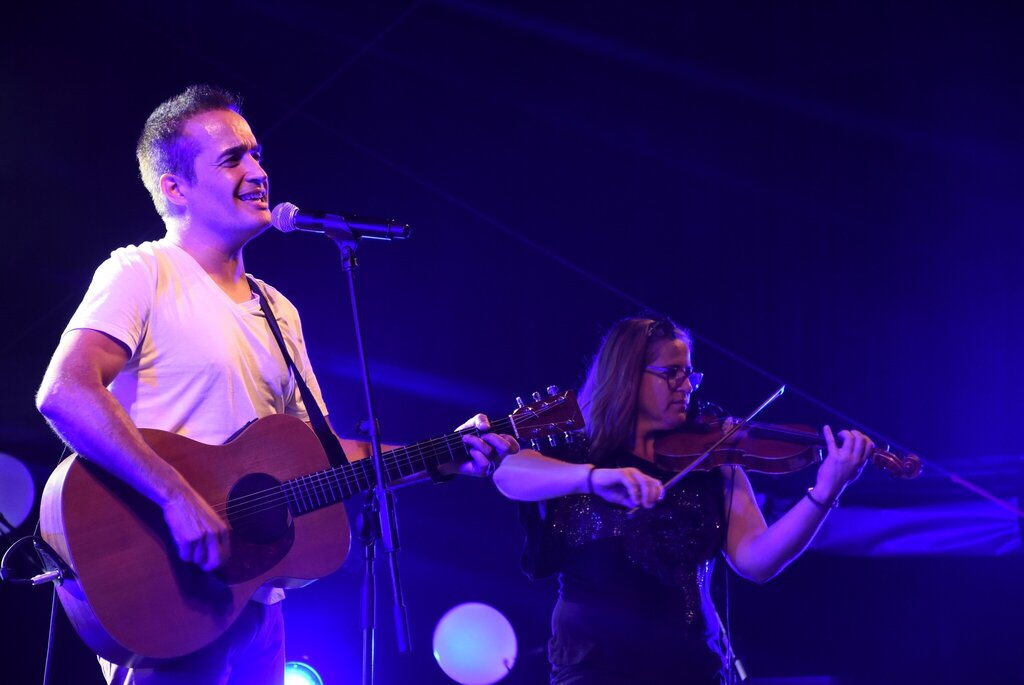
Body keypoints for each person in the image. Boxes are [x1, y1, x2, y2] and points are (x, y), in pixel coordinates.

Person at [35, 85, 518, 685]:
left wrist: (443, 457)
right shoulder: (141, 272)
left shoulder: (277, 310)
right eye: (232, 159)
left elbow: (325, 457)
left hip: (258, 604)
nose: (258, 171)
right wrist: (178, 499)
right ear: (175, 188)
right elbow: (65, 392)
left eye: (257, 154)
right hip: (167, 591)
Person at [492, 316, 874, 685]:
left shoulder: (711, 460)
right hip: (594, 668)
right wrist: (593, 477)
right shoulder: (577, 451)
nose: (687, 386)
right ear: (627, 376)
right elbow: (508, 473)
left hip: (694, 669)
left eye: (689, 372)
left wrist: (825, 492)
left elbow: (757, 561)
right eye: (670, 373)